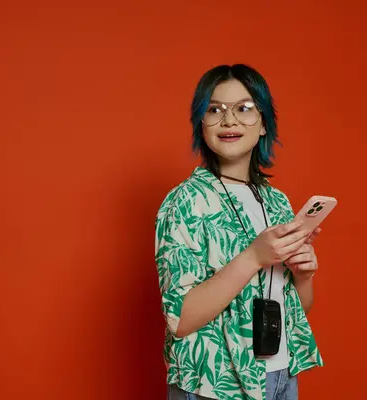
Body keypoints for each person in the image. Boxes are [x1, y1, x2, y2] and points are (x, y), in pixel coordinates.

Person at [155, 64, 323, 400]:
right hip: (214, 381)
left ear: (263, 124)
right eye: (214, 109)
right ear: (201, 124)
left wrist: (303, 275)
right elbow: (181, 318)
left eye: (244, 109)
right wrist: (253, 257)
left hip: (280, 374)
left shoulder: (276, 202)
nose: (229, 120)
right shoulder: (185, 202)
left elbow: (297, 309)